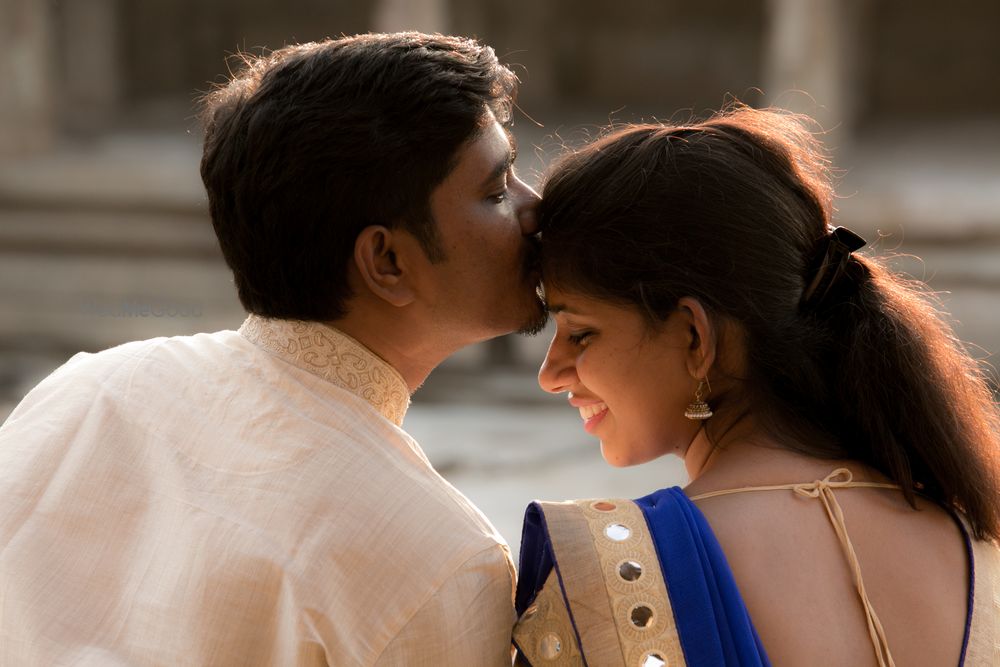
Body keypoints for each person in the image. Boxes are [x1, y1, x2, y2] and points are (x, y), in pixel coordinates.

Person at [0, 33, 545, 665]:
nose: (535, 207)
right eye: (497, 190)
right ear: (387, 261)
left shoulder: (89, 390)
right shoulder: (439, 559)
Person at [512, 106, 1000, 666]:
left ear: (696, 338)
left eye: (580, 333)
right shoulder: (970, 541)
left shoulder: (605, 567)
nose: (550, 375)